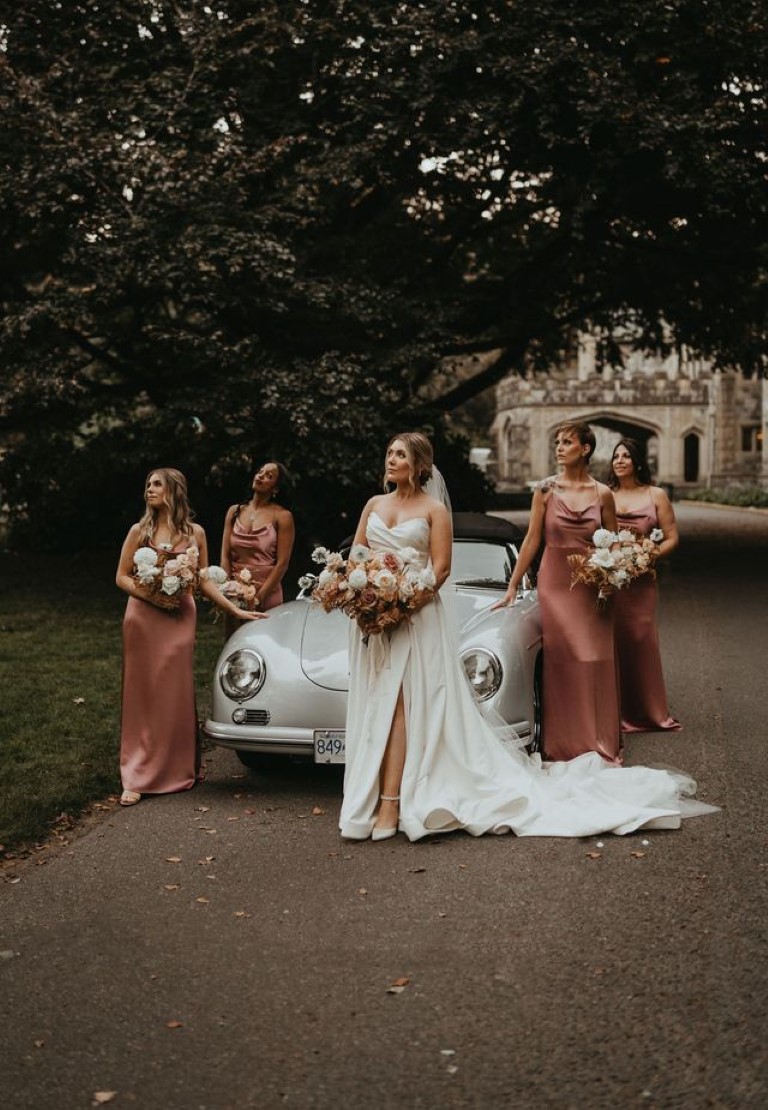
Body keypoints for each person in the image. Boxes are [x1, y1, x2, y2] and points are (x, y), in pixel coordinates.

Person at [339, 432, 716, 842]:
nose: (391, 459)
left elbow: (441, 569)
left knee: (401, 703)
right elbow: (357, 556)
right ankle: (368, 795)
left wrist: (402, 601)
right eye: (389, 452)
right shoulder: (372, 505)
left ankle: (391, 802)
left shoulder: (434, 510)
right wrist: (361, 593)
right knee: (375, 701)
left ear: (419, 464)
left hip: (414, 615)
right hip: (374, 619)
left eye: (400, 454)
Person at [116, 467, 265, 806]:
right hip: (142, 617)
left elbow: (202, 579)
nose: (149, 489)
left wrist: (235, 609)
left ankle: (177, 768)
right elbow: (122, 576)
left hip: (179, 619)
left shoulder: (196, 533)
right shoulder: (139, 531)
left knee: (174, 692)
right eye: (148, 484)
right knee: (142, 694)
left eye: (157, 484)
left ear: (174, 490)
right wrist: (152, 595)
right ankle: (136, 774)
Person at [493, 422, 622, 763]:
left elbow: (615, 542)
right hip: (556, 584)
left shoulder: (603, 494)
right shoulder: (545, 491)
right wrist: (512, 585)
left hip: (592, 585)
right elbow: (532, 539)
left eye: (567, 442)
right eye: (557, 442)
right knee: (563, 660)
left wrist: (612, 573)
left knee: (594, 658)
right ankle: (563, 743)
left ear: (585, 449)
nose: (559, 448)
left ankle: (598, 739)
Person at [609, 438, 682, 733]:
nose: (619, 460)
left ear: (637, 462)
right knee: (612, 640)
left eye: (626, 456)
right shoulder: (605, 495)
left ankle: (648, 711)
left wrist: (649, 555)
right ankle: (614, 712)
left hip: (641, 582)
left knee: (641, 639)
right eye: (616, 456)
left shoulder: (656, 495)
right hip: (611, 579)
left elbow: (672, 537)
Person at [220, 460, 295, 639]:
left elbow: (282, 564)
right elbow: (225, 555)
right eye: (260, 472)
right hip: (235, 593)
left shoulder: (283, 516)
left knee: (264, 644)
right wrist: (228, 589)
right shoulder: (234, 511)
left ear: (276, 488)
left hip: (267, 592)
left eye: (269, 476)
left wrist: (258, 598)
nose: (261, 476)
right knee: (235, 644)